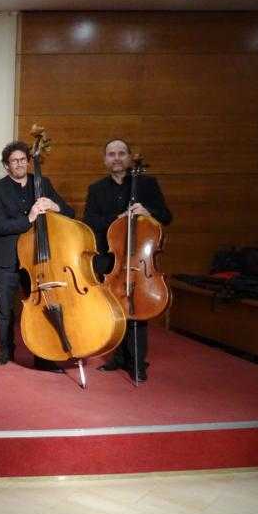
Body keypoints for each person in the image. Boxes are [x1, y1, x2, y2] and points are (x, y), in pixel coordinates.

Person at [84, 139, 172, 382]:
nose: (117, 158)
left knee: (138, 307)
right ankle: (118, 357)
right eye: (111, 154)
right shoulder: (96, 188)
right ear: (105, 159)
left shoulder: (147, 185)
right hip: (112, 259)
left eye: (121, 153)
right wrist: (118, 217)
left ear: (130, 157)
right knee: (115, 308)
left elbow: (166, 216)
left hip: (140, 261)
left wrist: (148, 212)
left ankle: (137, 362)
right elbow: (90, 221)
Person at [0, 140, 74, 368]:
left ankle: (43, 354)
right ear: (6, 165)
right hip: (6, 258)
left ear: (28, 161)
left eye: (23, 160)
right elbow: (0, 226)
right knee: (5, 307)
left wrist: (55, 206)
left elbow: (70, 213)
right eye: (14, 161)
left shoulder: (42, 183)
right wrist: (29, 218)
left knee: (42, 305)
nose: (19, 164)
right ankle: (6, 351)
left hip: (38, 258)